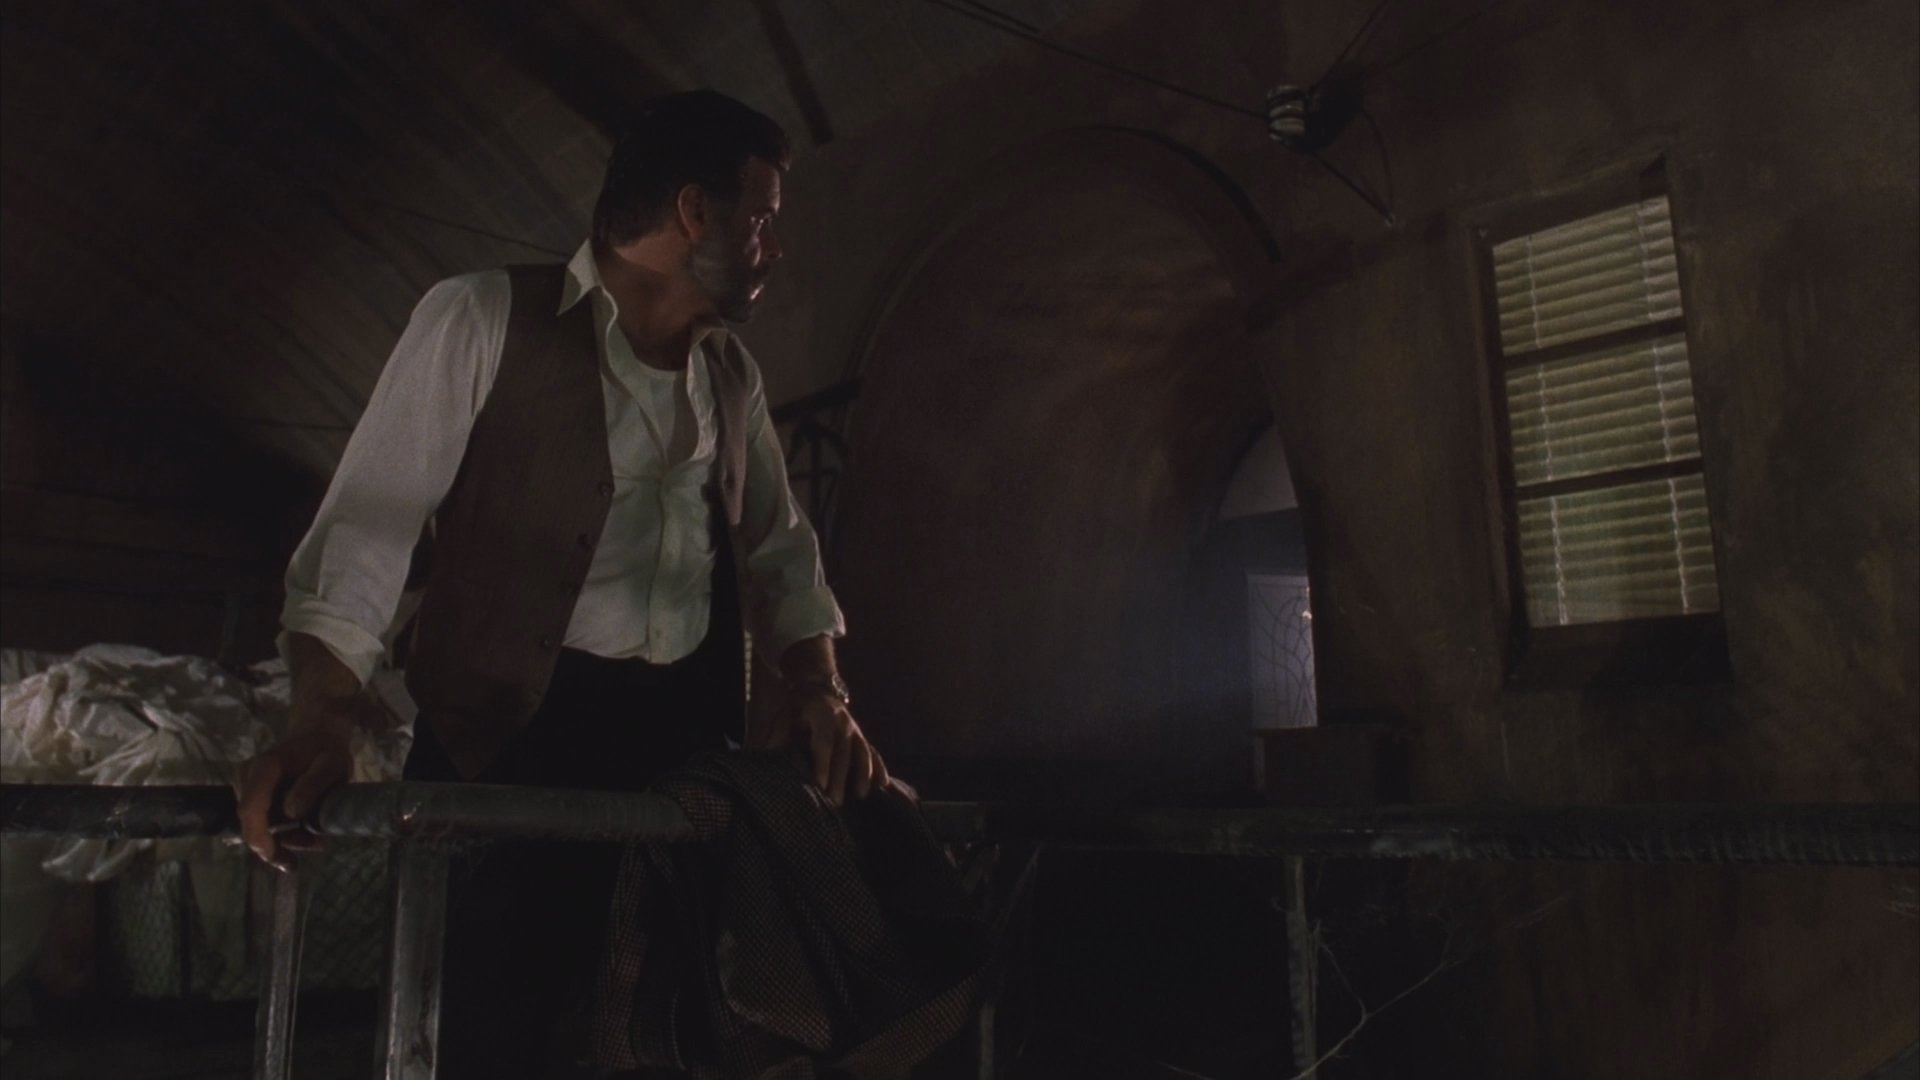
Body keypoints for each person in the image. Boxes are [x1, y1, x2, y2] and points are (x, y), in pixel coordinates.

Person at [232, 90, 884, 1076]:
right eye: (760, 218)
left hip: (674, 763)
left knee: (651, 1038)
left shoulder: (732, 378)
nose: (772, 247)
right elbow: (368, 528)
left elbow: (781, 553)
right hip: (504, 747)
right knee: (484, 1041)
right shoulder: (483, 316)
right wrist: (322, 715)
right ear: (694, 213)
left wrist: (819, 687)